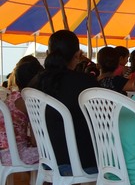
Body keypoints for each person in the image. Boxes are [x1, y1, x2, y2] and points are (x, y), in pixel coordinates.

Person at [29, 29, 99, 174]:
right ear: (78, 55)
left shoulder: (35, 84)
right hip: (84, 161)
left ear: (48, 53)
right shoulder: (86, 83)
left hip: (47, 159)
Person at [0, 59, 43, 165]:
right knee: (50, 154)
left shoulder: (11, 97)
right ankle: (48, 181)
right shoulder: (28, 101)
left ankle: (38, 181)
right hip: (14, 155)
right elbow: (35, 141)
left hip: (2, 153)